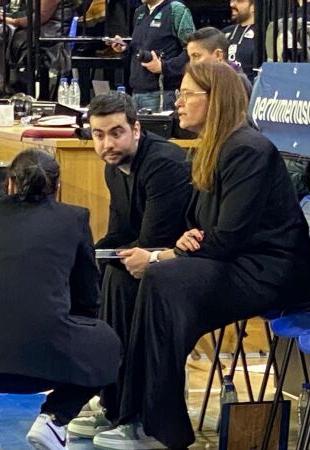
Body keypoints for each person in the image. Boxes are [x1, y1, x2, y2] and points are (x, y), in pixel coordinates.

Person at [92, 62, 310, 449]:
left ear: (215, 100)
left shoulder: (249, 150)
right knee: (125, 277)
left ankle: (159, 428)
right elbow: (198, 224)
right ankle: (123, 409)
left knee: (162, 280)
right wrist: (184, 241)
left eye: (186, 94)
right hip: (234, 263)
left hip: (271, 272)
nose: (178, 103)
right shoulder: (212, 148)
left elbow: (229, 236)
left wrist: (165, 257)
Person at [0, 149, 121, 450]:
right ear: (57, 187)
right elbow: (88, 296)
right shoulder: (75, 218)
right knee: (109, 344)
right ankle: (54, 418)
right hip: (46, 366)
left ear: (10, 183)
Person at [66, 92, 191, 440]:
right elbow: (119, 232)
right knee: (91, 275)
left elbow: (154, 239)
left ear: (136, 129)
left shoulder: (163, 165)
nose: (107, 143)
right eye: (99, 135)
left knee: (119, 282)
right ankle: (112, 400)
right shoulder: (114, 167)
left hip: (183, 263)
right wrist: (83, 258)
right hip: (147, 256)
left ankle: (136, 416)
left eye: (116, 132)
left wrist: (107, 258)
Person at [107, 0, 195, 112]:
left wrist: (163, 67)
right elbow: (139, 50)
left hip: (163, 92)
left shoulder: (176, 10)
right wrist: (124, 48)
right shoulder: (139, 12)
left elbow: (193, 51)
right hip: (136, 91)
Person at [0, 0, 76, 96]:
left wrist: (9, 20)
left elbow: (40, 17)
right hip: (37, 29)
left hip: (50, 34)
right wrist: (1, 15)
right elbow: (27, 13)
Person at [185, 27, 253, 100]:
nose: (191, 63)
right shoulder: (199, 81)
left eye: (196, 56)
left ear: (218, 55)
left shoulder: (237, 84)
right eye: (190, 57)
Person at [222, 0, 257, 81]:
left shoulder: (263, 33)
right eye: (232, 0)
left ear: (253, 6)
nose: (231, 4)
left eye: (239, 1)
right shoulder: (225, 32)